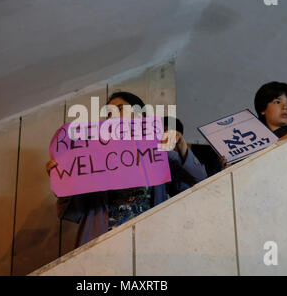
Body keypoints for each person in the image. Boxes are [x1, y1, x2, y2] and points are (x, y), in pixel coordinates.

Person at [46, 91, 207, 247]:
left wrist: (181, 145)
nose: (113, 117)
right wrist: (63, 181)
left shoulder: (159, 154)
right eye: (109, 114)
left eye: (120, 109)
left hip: (151, 244)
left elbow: (199, 182)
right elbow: (73, 213)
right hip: (102, 249)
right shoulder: (93, 161)